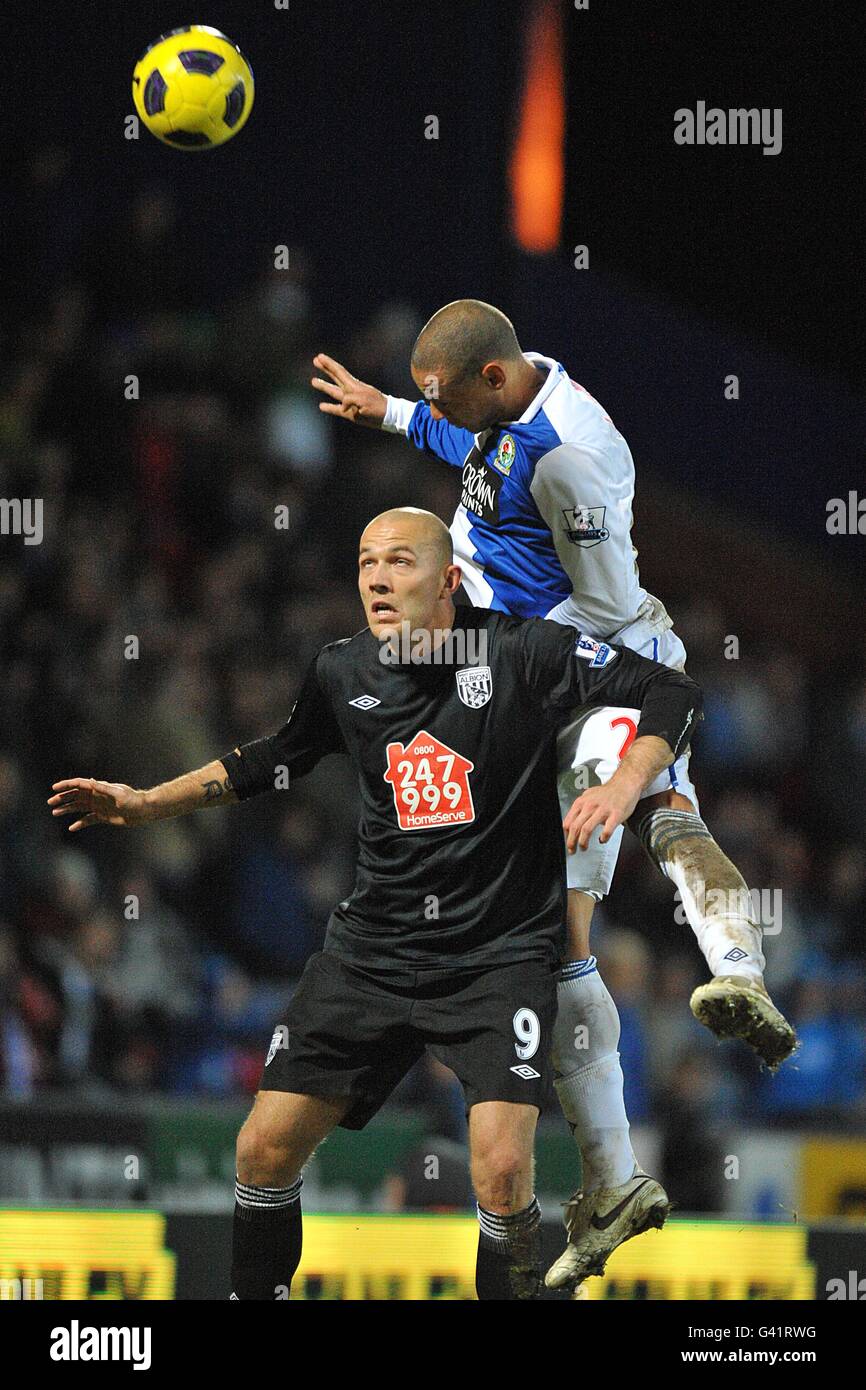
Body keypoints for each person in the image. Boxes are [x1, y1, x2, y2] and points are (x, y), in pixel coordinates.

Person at [48, 507, 701, 1301]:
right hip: (372, 953)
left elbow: (668, 689)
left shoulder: (523, 652)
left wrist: (628, 781)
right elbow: (273, 758)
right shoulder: (342, 669)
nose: (378, 580)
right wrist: (149, 803)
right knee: (261, 1150)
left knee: (499, 1171)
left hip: (497, 959)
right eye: (365, 564)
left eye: (399, 562)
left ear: (449, 579)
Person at [311, 303, 796, 1291]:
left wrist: (515, 660)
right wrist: (391, 413)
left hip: (586, 675)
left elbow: (610, 611)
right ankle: (716, 1004)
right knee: (611, 880)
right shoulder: (505, 392)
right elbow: (459, 435)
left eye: (445, 394)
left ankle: (648, 1123)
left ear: (490, 381)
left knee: (593, 893)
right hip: (540, 677)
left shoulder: (570, 461)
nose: (439, 408)